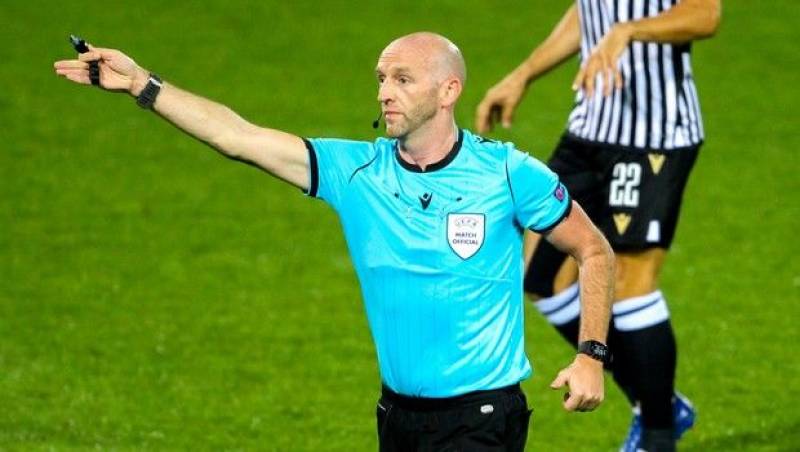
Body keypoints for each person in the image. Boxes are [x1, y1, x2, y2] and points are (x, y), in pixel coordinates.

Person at [55, 32, 615, 451]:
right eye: (381, 78)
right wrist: (143, 85)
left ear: (449, 90)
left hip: (482, 418)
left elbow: (593, 250)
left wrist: (591, 355)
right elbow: (237, 136)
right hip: (397, 416)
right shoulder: (357, 173)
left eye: (402, 79)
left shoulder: (507, 173)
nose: (385, 92)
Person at [475, 1, 720, 451]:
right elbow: (592, 12)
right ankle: (660, 404)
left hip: (655, 135)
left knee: (630, 284)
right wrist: (524, 73)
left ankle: (657, 436)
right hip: (589, 128)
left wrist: (629, 30)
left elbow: (705, 14)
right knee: (541, 278)